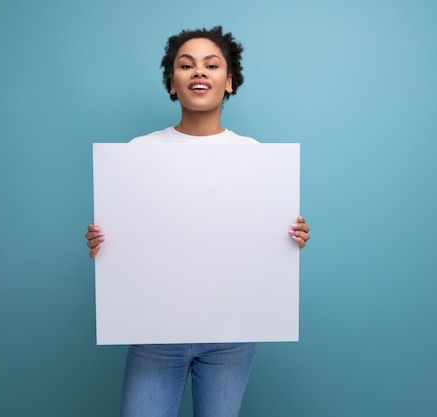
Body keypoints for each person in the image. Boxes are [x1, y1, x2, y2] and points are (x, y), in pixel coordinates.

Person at [85, 26, 310, 417]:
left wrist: (290, 238)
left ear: (229, 81)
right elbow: (133, 241)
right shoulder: (140, 152)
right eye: (186, 65)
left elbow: (254, 243)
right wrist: (105, 245)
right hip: (155, 330)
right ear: (173, 83)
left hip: (231, 335)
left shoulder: (253, 156)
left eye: (212, 64)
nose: (199, 72)